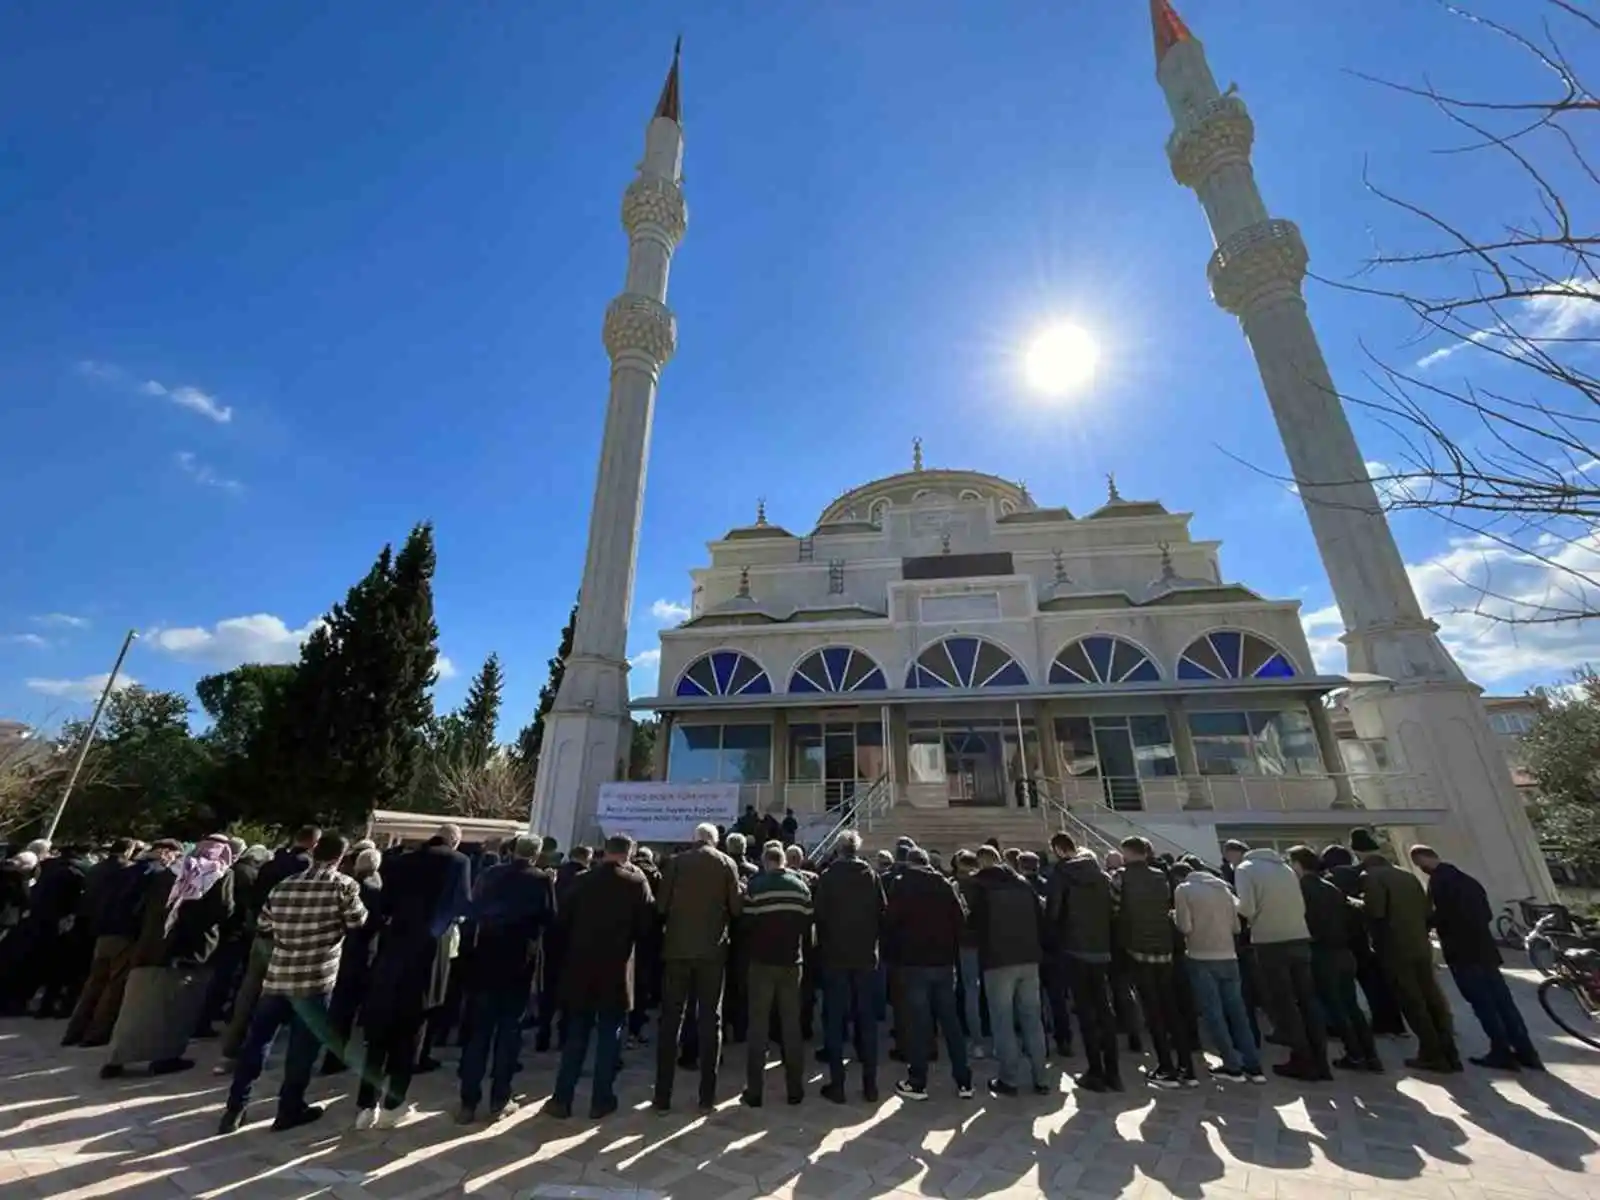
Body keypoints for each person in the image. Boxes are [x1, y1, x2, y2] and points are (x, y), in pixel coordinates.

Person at [219, 834, 367, 1134]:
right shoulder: (344, 886)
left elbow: (264, 925)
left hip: (278, 975)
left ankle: (235, 1107)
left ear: (314, 852)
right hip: (315, 979)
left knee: (258, 1043)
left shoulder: (284, 885)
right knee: (303, 1049)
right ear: (341, 856)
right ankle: (289, 1108)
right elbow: (358, 922)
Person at [354, 825, 472, 1129]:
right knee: (411, 1029)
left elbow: (384, 905)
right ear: (455, 842)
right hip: (429, 952)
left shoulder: (399, 861)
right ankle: (394, 1104)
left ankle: (366, 1105)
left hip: (393, 947)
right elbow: (461, 905)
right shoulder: (458, 862)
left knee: (379, 1032)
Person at [103, 836, 237, 1079]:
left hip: (152, 947)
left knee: (136, 1007)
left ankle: (116, 1059)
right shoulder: (220, 874)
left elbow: (140, 905)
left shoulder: (170, 871)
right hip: (190, 950)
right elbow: (224, 909)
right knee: (177, 1009)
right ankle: (165, 1058)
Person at [548, 835, 655, 1119]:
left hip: (580, 968)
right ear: (628, 854)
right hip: (616, 969)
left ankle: (562, 1098)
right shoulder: (635, 883)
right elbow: (647, 927)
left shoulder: (581, 881)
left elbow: (562, 922)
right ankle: (601, 1099)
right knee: (610, 1037)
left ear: (605, 852)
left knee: (576, 1036)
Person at [1411, 845, 1541, 1071]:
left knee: (1483, 1004)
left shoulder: (1439, 883)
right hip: (1485, 950)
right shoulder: (1468, 880)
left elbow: (1441, 916)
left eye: (1419, 864)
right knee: (1504, 1002)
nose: (1421, 869)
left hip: (1462, 952)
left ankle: (1500, 1052)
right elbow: (1487, 913)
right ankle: (1526, 1052)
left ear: (1423, 860)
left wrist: (1427, 925)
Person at [457, 837, 554, 1123]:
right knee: (509, 1034)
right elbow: (550, 917)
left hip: (486, 958)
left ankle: (468, 1101)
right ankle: (500, 1098)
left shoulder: (490, 874)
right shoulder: (539, 879)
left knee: (479, 1034)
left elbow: (473, 909)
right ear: (536, 855)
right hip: (518, 963)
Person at [1353, 829, 1460, 1072]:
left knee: (1412, 1000)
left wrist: (1357, 903)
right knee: (1432, 996)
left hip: (1394, 947)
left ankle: (1431, 1053)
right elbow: (1426, 912)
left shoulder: (1371, 878)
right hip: (1420, 945)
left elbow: (1376, 912)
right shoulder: (1407, 876)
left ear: (1359, 854)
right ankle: (1449, 1050)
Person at [654, 822, 743, 1113]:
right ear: (715, 841)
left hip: (677, 949)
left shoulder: (676, 863)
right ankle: (707, 1096)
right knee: (710, 1020)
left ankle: (663, 1095)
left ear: (695, 840)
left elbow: (661, 906)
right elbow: (737, 908)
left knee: (671, 1019)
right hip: (712, 951)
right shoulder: (726, 863)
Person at [219, 826, 320, 1066]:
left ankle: (232, 1047)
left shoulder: (270, 864)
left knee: (249, 991)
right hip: (287, 939)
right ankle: (258, 1052)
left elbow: (254, 899)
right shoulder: (304, 867)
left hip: (262, 934)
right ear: (313, 843)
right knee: (278, 998)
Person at [1235, 845, 1329, 1081]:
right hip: (1299, 937)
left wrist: (1233, 903)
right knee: (1308, 1000)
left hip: (1270, 940)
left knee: (1284, 1002)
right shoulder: (1285, 868)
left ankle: (1302, 1059)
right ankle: (1321, 1061)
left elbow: (1247, 908)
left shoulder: (1245, 869)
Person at [885, 847, 972, 1101]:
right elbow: (960, 922)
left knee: (919, 1024)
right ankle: (964, 1080)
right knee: (951, 1023)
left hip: (914, 962)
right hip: (943, 963)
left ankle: (918, 1080)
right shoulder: (945, 885)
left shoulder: (902, 885)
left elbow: (891, 922)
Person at [1287, 846, 1381, 1074]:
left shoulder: (1302, 889)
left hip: (1321, 952)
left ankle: (1354, 1054)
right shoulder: (1331, 888)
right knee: (1351, 1006)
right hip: (1344, 952)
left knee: (1334, 1006)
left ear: (1298, 864)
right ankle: (1371, 1055)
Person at [968, 844, 1051, 1097]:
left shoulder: (981, 888)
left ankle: (1009, 1078)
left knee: (1002, 1021)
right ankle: (1042, 1077)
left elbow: (973, 924)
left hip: (998, 960)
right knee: (1032, 1019)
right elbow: (1040, 919)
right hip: (1029, 958)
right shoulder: (1024, 885)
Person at [1112, 838, 1194, 1088]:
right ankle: (1187, 1067)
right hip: (1164, 948)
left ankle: (1166, 1067)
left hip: (1138, 949)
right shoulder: (1161, 876)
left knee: (1153, 1010)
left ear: (1127, 852)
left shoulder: (1121, 876)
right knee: (1171, 1008)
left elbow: (1115, 909)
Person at [813, 829, 886, 1104]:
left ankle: (838, 1083)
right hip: (865, 955)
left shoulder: (829, 876)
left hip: (835, 956)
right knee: (866, 1019)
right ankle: (870, 1085)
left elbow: (819, 915)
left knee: (834, 1018)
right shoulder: (870, 875)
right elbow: (882, 911)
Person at [1174, 862, 1263, 1083]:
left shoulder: (1183, 890)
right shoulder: (1224, 890)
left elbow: (1185, 927)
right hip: (1229, 956)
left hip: (1200, 956)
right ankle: (1253, 1066)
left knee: (1214, 1013)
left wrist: (1174, 916)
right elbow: (1236, 927)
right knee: (1238, 1012)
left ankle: (1232, 1065)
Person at [740, 842, 813, 1108]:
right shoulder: (801, 887)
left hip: (761, 963)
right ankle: (795, 1090)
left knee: (758, 1027)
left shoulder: (756, 886)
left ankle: (755, 1091)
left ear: (765, 861)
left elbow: (745, 923)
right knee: (791, 1026)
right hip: (792, 963)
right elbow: (807, 923)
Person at [1047, 835, 1121, 1092]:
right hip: (1101, 948)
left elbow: (1054, 912)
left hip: (1074, 948)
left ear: (1058, 850)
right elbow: (1114, 909)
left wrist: (1054, 938)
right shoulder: (1102, 876)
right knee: (1104, 1007)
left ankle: (1095, 1070)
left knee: (1085, 1010)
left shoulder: (1061, 874)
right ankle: (1114, 1072)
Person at [63, 839, 153, 1047]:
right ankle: (97, 1032)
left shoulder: (97, 868)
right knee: (113, 985)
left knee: (94, 982)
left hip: (100, 928)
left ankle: (75, 1030)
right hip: (122, 933)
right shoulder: (130, 873)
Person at [1322, 844, 1406, 1038]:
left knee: (1342, 988)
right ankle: (1390, 1022)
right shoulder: (1363, 875)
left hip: (1343, 937)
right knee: (1376, 983)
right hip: (1365, 935)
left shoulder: (1331, 879)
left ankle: (1341, 1025)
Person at [321, 846, 384, 1074]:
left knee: (340, 1007)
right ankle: (334, 1057)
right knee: (346, 1008)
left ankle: (331, 1056)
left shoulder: (347, 883)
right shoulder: (373, 889)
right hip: (361, 953)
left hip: (341, 948)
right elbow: (374, 922)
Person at [536, 844, 591, 1052]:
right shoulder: (587, 879)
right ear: (587, 857)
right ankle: (564, 1035)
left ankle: (543, 1033)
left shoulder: (556, 875)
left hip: (552, 937)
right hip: (575, 940)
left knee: (548, 989)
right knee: (571, 991)